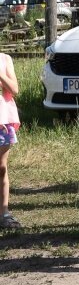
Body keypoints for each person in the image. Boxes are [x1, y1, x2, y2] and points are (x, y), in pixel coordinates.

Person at [0, 52, 21, 229]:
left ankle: (4, 212)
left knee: (1, 167)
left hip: (3, 121)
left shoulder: (5, 59)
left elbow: (14, 89)